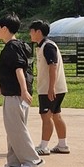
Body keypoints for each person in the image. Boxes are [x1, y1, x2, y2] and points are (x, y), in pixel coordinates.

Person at [0, 12, 41, 167]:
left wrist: (23, 91)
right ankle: (14, 161)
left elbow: (19, 69)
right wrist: (2, 85)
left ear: (5, 29)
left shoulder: (11, 47)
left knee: (16, 128)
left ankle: (32, 160)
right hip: (15, 93)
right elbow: (12, 70)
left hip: (16, 94)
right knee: (14, 128)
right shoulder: (18, 45)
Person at [29, 19, 70, 156]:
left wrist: (51, 88)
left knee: (46, 116)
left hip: (50, 88)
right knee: (56, 115)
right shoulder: (44, 46)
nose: (30, 34)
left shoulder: (48, 46)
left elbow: (53, 66)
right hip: (56, 88)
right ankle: (63, 145)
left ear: (38, 32)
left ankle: (44, 146)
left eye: (31, 31)